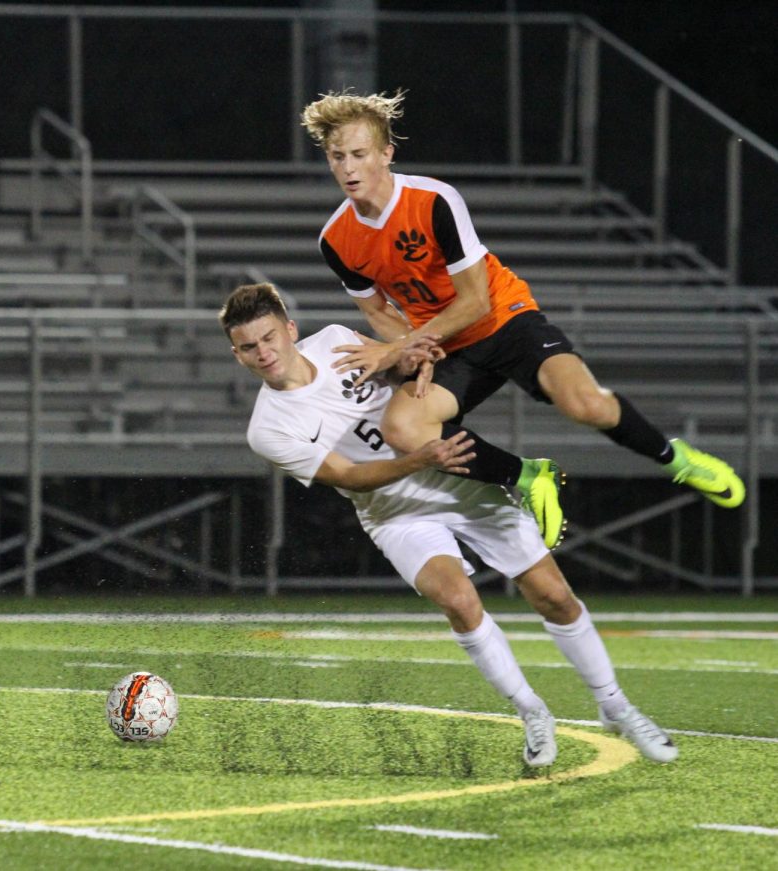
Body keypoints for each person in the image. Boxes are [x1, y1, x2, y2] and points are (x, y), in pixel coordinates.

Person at [218, 281, 678, 766]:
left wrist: (412, 357)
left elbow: (404, 375)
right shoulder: (267, 429)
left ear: (290, 329)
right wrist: (418, 458)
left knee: (554, 596)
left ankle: (615, 705)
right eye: (250, 347)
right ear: (238, 355)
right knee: (459, 600)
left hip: (457, 479)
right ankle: (532, 712)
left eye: (270, 337)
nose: (264, 352)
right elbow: (351, 475)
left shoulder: (334, 340)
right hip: (393, 511)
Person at [300, 89, 745, 542]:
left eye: (359, 154)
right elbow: (376, 309)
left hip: (505, 320)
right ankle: (532, 477)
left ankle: (678, 460)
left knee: (586, 406)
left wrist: (402, 346)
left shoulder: (434, 201)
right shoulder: (335, 239)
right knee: (402, 428)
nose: (349, 168)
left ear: (386, 153)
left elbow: (477, 302)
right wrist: (416, 344)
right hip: (449, 345)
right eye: (338, 157)